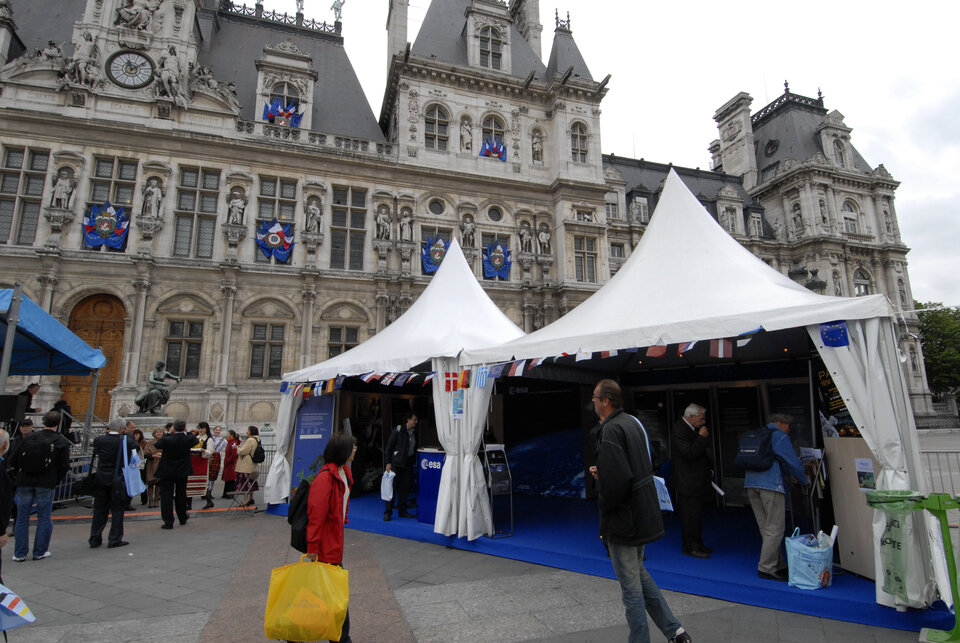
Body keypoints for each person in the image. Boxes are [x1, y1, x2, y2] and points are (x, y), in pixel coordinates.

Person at [588, 380, 692, 643]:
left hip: (625, 519)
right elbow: (638, 466)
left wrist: (606, 500)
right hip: (642, 512)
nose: (593, 402)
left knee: (631, 589)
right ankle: (675, 631)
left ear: (606, 401)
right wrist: (608, 472)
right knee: (639, 575)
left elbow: (619, 481)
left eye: (595, 398)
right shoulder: (633, 423)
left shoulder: (610, 430)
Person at [744, 414, 809, 581]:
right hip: (771, 485)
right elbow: (792, 461)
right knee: (775, 528)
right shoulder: (778, 435)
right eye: (788, 425)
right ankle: (766, 567)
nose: (788, 429)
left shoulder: (758, 433)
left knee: (766, 527)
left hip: (751, 484)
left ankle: (778, 564)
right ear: (783, 424)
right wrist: (804, 479)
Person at [305, 431, 356, 643]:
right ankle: (341, 639)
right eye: (353, 447)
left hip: (335, 543)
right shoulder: (325, 477)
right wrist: (313, 548)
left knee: (332, 596)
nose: (355, 450)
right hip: (326, 547)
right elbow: (315, 515)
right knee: (336, 598)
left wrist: (341, 518)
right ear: (343, 451)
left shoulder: (343, 472)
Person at [9, 410, 71, 561]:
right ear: (59, 423)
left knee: (22, 518)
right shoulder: (61, 441)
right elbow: (64, 466)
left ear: (43, 422)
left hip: (24, 481)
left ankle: (20, 553)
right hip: (46, 482)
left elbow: (13, 460)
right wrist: (55, 480)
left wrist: (18, 476)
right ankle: (39, 551)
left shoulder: (28, 438)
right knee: (44, 517)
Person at [670, 403, 714, 559]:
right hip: (687, 480)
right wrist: (702, 438)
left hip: (696, 479)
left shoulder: (691, 428)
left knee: (697, 515)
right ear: (691, 416)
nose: (702, 422)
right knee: (690, 515)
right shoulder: (680, 429)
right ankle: (690, 546)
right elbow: (688, 453)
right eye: (700, 418)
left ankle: (698, 542)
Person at [88, 418, 137, 549]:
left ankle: (95, 538)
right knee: (117, 509)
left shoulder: (99, 440)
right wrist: (125, 435)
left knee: (99, 509)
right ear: (122, 429)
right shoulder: (125, 441)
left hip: (101, 477)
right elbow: (136, 447)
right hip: (117, 479)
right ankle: (114, 538)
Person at [155, 419, 199, 529]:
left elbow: (158, 444)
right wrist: (187, 431)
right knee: (181, 494)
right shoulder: (188, 438)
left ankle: (168, 521)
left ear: (173, 428)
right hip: (182, 471)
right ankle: (182, 517)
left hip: (167, 471)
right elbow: (195, 439)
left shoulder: (168, 439)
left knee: (166, 495)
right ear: (184, 427)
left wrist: (169, 433)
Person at [383, 411, 417, 521]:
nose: (415, 422)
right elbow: (389, 447)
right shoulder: (398, 430)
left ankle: (402, 511)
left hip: (408, 464)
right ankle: (388, 512)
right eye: (414, 419)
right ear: (408, 419)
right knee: (391, 488)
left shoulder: (414, 432)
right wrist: (388, 462)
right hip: (396, 464)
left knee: (405, 488)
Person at [235, 426, 261, 507]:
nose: (246, 432)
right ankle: (251, 498)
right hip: (253, 464)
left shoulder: (250, 440)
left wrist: (238, 448)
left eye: (248, 430)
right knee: (251, 482)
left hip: (246, 464)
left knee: (245, 483)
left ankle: (245, 501)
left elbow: (244, 451)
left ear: (251, 432)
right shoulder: (258, 439)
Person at [192, 422, 216, 509]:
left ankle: (209, 501)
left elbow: (210, 451)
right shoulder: (195, 437)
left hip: (202, 461)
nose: (200, 430)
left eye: (202, 428)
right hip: (193, 461)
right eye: (199, 428)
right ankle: (188, 504)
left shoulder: (209, 439)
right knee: (190, 482)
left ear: (206, 429)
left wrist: (204, 451)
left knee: (202, 482)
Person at [142, 428, 164, 508]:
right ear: (154, 434)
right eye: (157, 432)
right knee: (151, 482)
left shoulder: (165, 441)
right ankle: (150, 501)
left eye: (160, 432)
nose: (159, 433)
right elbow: (145, 453)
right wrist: (153, 455)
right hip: (151, 464)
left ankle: (156, 500)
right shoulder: (150, 443)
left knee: (158, 483)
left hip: (161, 463)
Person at [220, 429, 239, 498]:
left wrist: (229, 460)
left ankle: (230, 494)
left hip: (231, 464)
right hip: (228, 463)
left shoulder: (233, 442)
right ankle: (226, 493)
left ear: (231, 435)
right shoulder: (229, 442)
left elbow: (234, 454)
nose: (226, 435)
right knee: (227, 479)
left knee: (231, 479)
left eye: (228, 434)